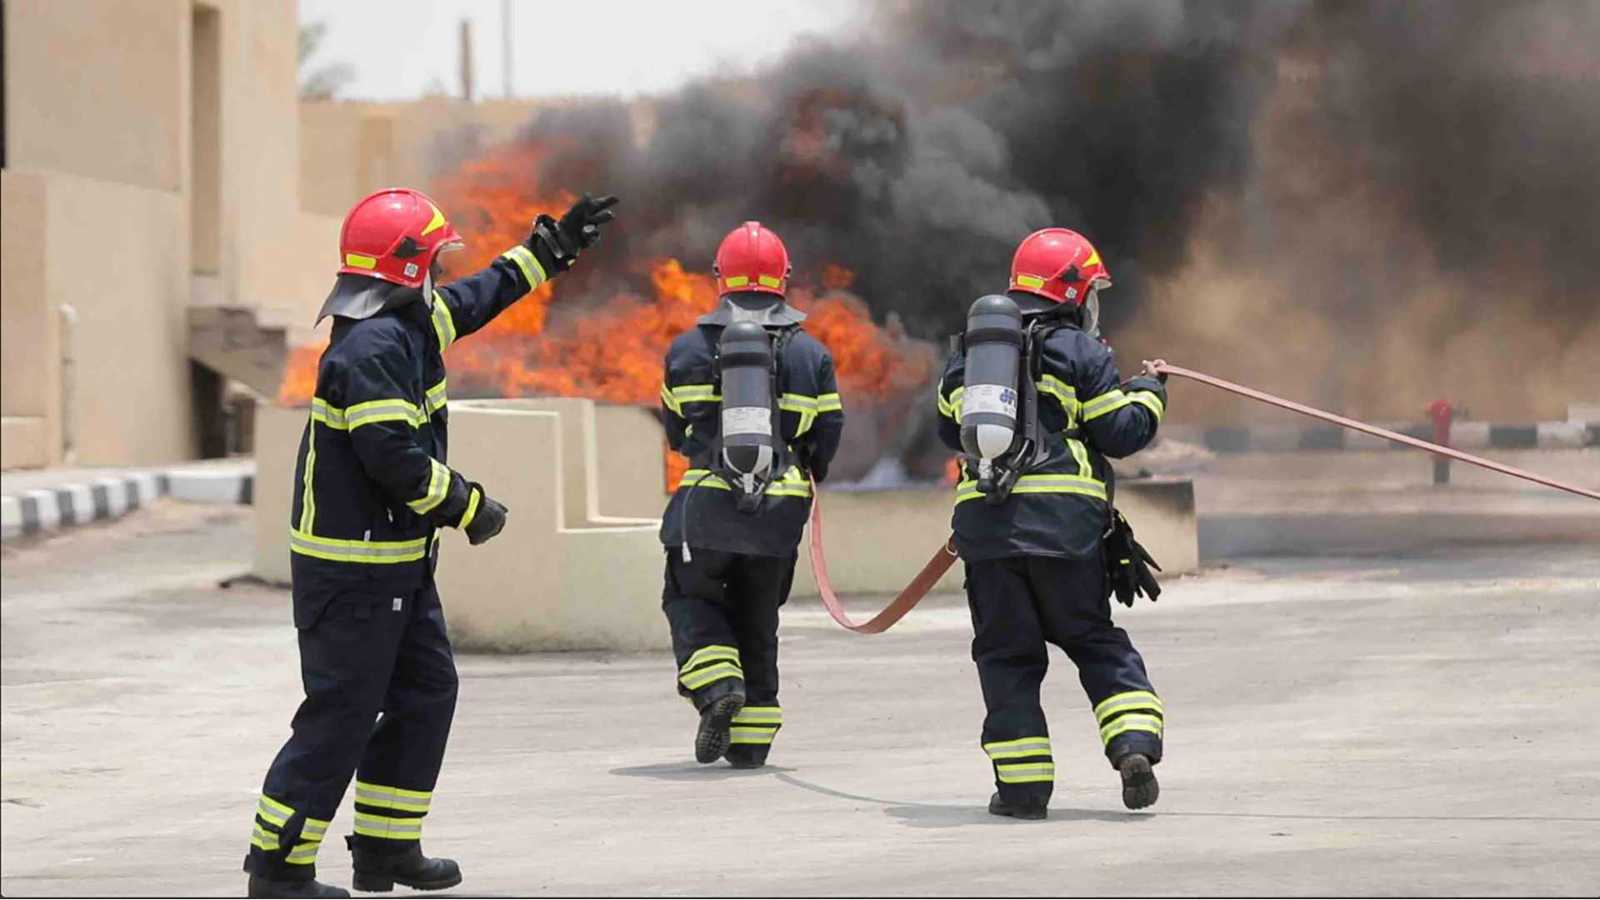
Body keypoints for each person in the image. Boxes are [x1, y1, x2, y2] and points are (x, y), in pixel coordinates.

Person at [244, 188, 617, 897]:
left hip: (397, 569)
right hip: (353, 577)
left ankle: (386, 848)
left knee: (426, 692)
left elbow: (479, 297)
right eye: (436, 257)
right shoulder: (373, 348)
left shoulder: (406, 321)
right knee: (341, 717)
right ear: (409, 265)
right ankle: (278, 868)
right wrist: (470, 507)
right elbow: (396, 461)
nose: (445, 269)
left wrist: (550, 250)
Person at [934, 227, 1169, 820]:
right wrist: (1150, 391)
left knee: (1006, 659)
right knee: (1094, 641)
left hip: (989, 536)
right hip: (1065, 533)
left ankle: (1023, 791)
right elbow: (1121, 433)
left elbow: (947, 430)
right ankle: (1133, 745)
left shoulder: (968, 357)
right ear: (1072, 292)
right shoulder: (1081, 352)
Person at [657, 221, 844, 769]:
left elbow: (675, 433)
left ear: (720, 277)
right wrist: (805, 468)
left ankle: (718, 689)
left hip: (706, 510)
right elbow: (827, 434)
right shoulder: (811, 354)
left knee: (691, 600)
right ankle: (752, 739)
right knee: (759, 620)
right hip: (779, 514)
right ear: (785, 278)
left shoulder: (687, 350)